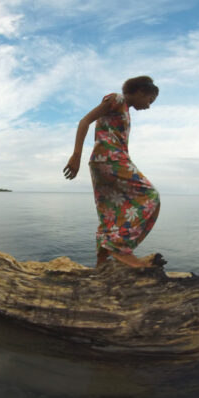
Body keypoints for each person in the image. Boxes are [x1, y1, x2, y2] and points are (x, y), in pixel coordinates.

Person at [63, 75, 161, 268]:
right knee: (150, 195)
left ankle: (103, 259)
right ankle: (119, 248)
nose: (148, 106)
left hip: (102, 161)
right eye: (149, 100)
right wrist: (76, 155)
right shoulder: (117, 99)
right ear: (141, 92)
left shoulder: (124, 109)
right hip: (110, 159)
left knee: (110, 212)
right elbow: (85, 121)